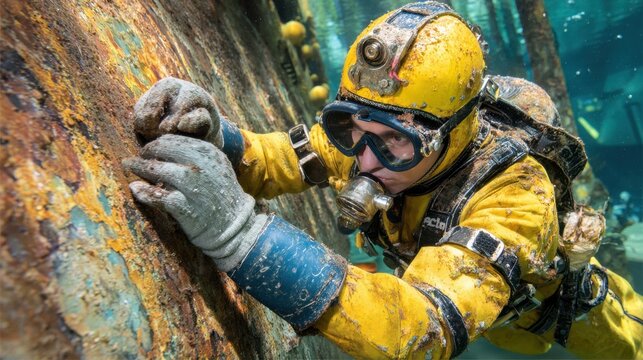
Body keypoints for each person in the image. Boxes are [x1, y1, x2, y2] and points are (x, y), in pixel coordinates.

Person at [123, 2, 642, 359]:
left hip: (551, 320)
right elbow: (277, 158)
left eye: (394, 142)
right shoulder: (369, 137)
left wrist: (241, 239)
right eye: (349, 125)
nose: (364, 162)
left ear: (450, 136)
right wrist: (220, 135)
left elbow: (421, 332)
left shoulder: (515, 198)